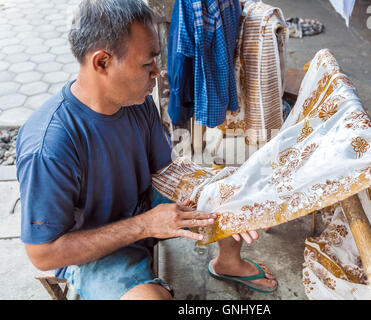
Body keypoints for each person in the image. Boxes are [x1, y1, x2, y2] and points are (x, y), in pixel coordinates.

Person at [16, 0, 277, 300]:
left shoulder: (136, 102)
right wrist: (145, 225)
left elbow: (165, 171)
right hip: (89, 250)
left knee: (231, 184)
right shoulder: (49, 146)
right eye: (146, 63)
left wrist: (222, 194)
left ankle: (228, 262)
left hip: (141, 204)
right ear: (102, 62)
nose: (156, 72)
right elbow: (43, 254)